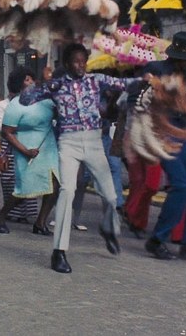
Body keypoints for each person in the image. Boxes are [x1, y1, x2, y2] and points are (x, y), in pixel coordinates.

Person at [20, 43, 136, 273]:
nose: (81, 65)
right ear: (67, 64)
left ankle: (109, 228)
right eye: (76, 61)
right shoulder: (56, 85)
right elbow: (25, 99)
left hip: (94, 141)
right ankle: (59, 251)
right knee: (67, 191)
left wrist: (148, 79)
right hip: (69, 142)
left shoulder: (96, 80)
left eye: (83, 61)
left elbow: (124, 84)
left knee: (111, 196)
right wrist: (42, 82)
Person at [139, 32, 186, 260]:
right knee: (181, 185)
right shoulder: (155, 69)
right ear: (177, 56)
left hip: (180, 133)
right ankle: (157, 239)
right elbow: (138, 100)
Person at [0, 67, 58, 235]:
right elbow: (7, 132)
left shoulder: (45, 100)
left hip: (48, 147)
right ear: (18, 84)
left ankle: (40, 222)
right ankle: (0, 215)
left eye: (31, 79)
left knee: (55, 185)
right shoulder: (15, 105)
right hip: (25, 148)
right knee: (26, 189)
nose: (31, 82)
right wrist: (26, 151)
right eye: (26, 79)